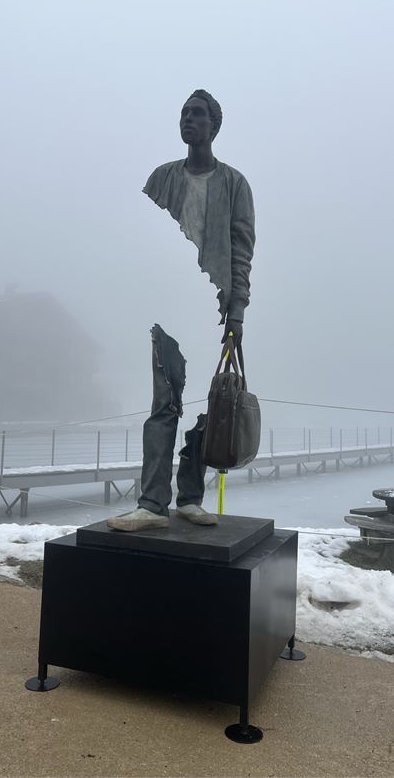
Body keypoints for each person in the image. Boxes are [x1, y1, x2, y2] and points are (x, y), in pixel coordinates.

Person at [107, 90, 255, 532]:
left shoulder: (235, 184)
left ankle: (190, 497)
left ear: (214, 126)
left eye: (198, 114)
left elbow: (242, 250)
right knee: (163, 404)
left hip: (213, 305)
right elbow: (139, 240)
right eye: (184, 113)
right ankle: (153, 503)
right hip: (165, 306)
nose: (189, 120)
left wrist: (237, 309)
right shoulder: (161, 178)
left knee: (212, 408)